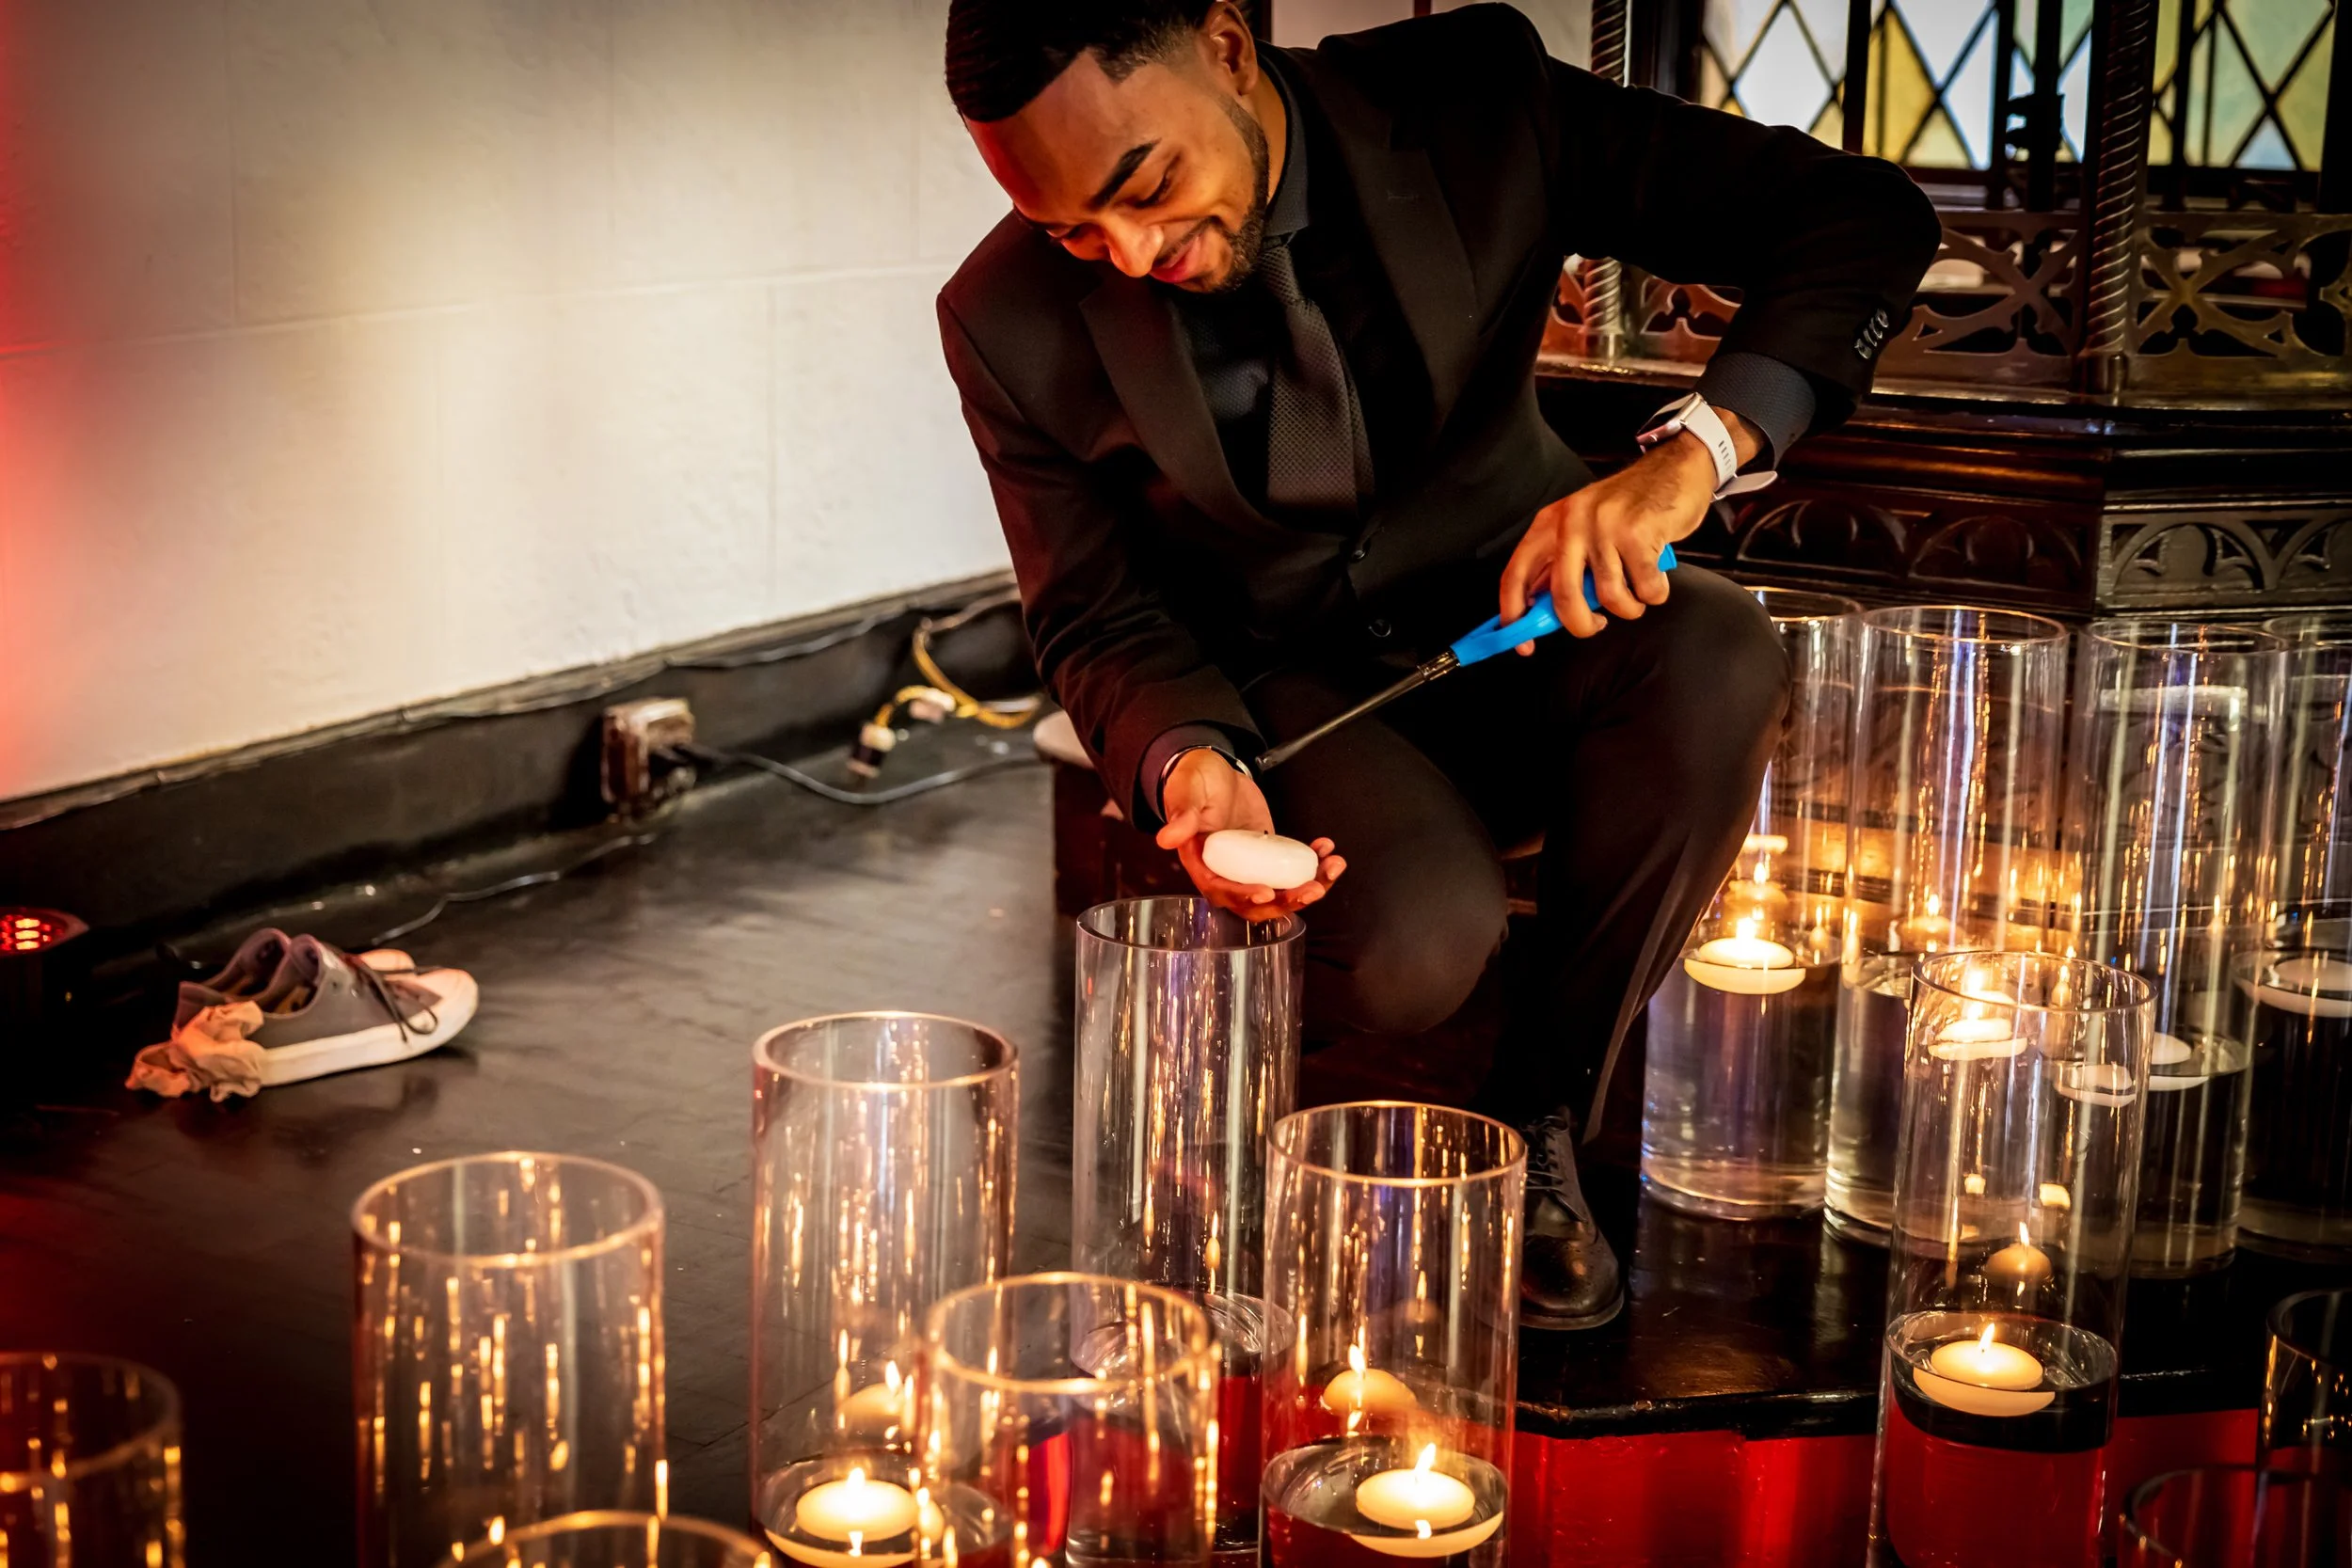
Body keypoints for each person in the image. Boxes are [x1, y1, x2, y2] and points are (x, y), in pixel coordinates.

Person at [937, 0, 1939, 1328]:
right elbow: (1095, 620)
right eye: (1072, 229)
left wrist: (1690, 458)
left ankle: (1543, 1119)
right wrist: (1189, 758)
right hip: (1285, 688)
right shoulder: (1000, 318)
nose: (1124, 253)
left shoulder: (1480, 102)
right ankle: (1252, 1146)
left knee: (1716, 649)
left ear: (1228, 45)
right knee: (1419, 938)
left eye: (1147, 186)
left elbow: (1863, 218)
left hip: (1519, 611)